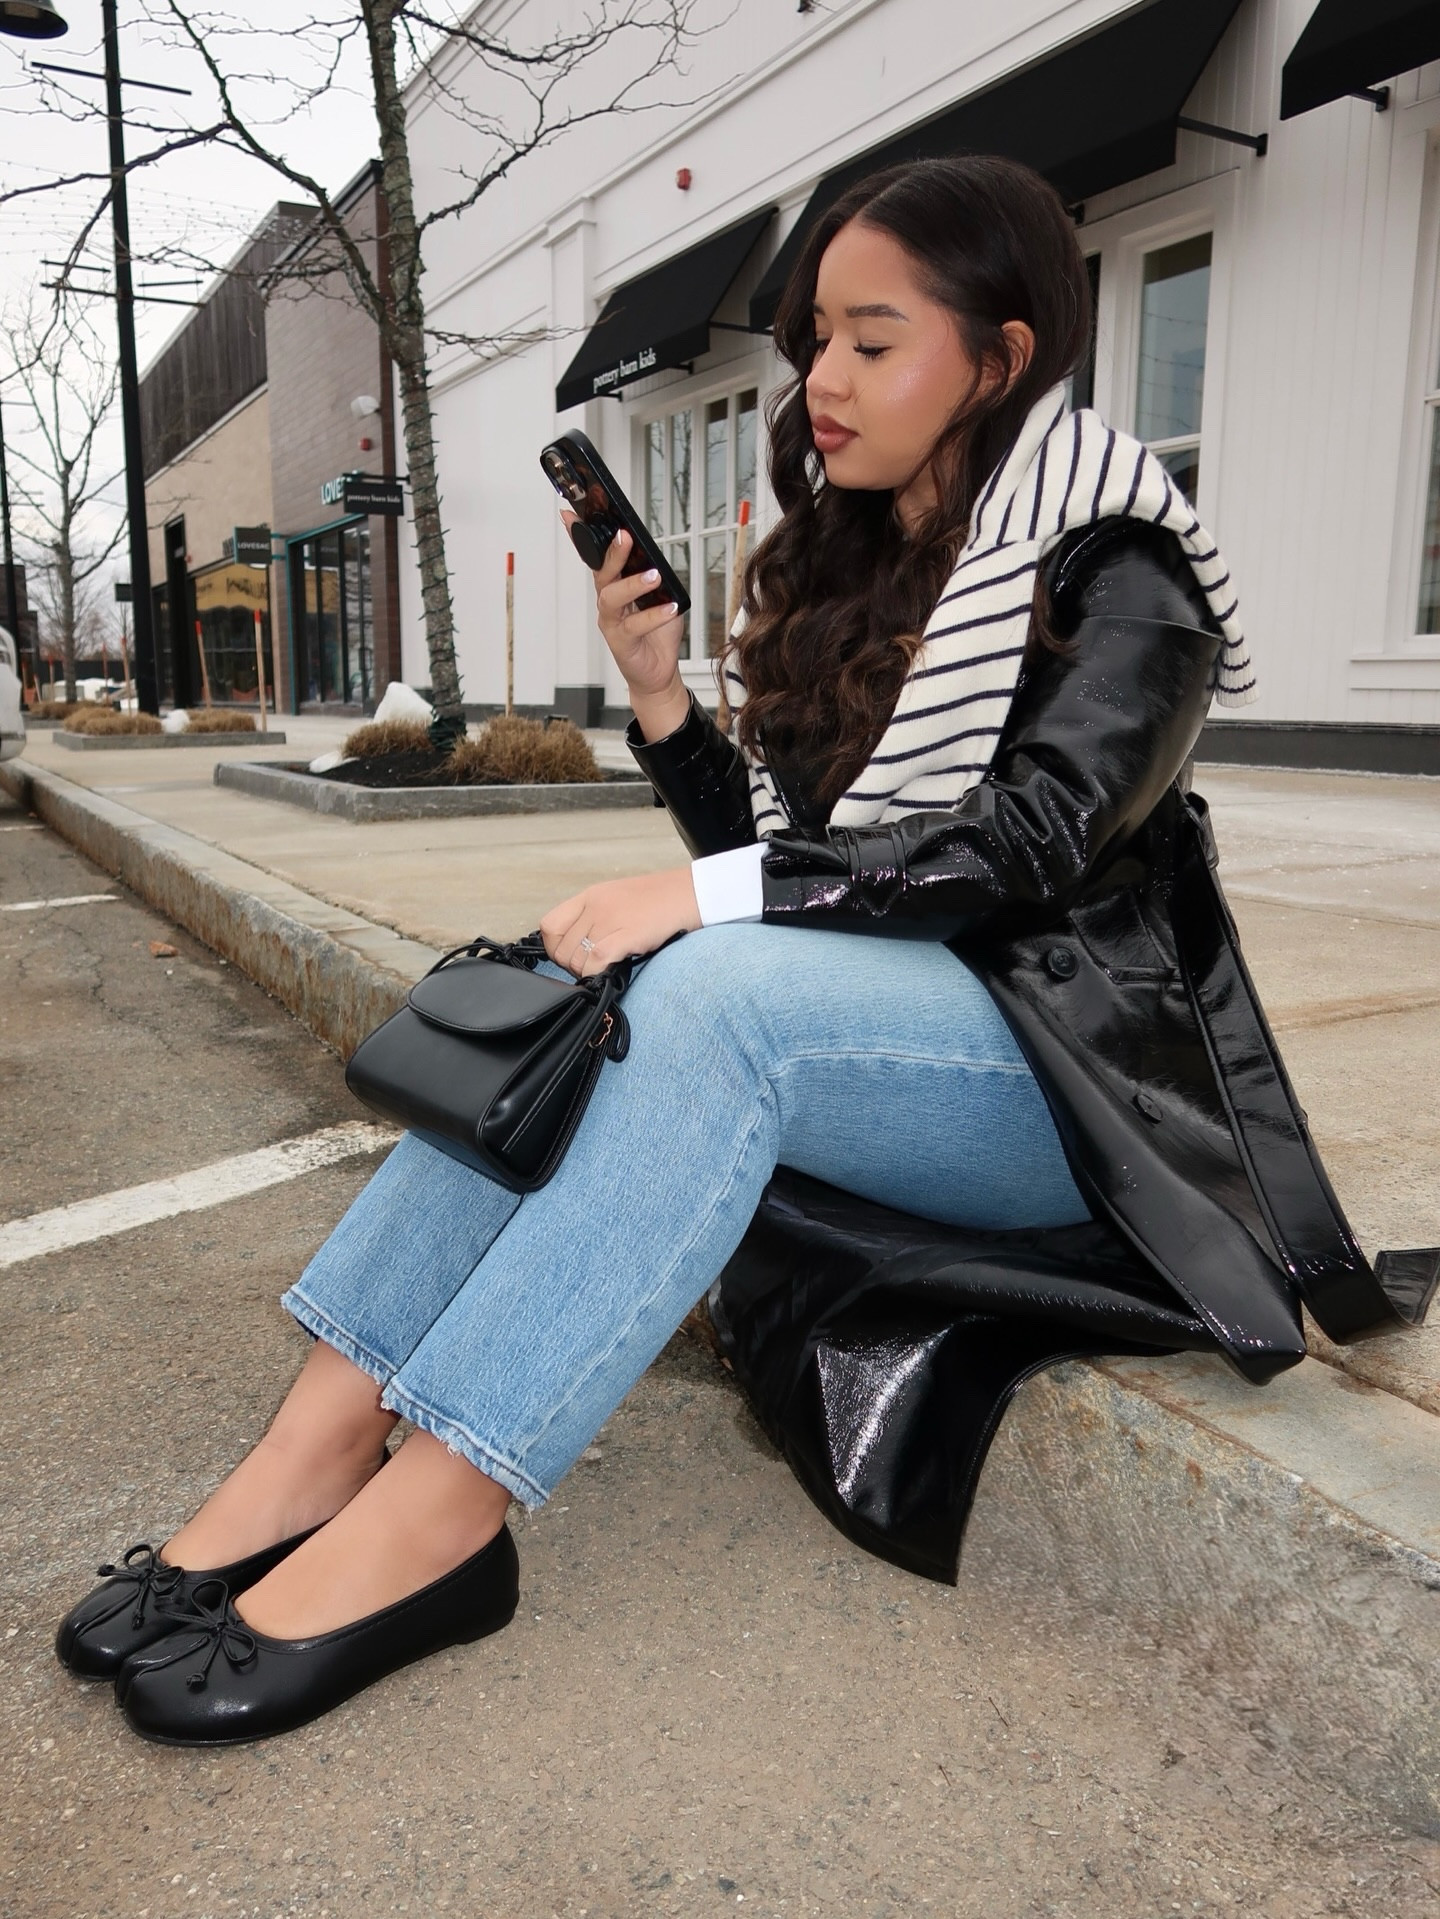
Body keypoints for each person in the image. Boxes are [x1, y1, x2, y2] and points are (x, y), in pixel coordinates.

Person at [54, 155, 1431, 1745]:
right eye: (815, 341)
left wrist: (698, 902)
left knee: (702, 982)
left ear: (999, 356)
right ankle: (314, 1447)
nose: (823, 381)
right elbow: (780, 861)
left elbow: (1023, 848)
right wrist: (659, 698)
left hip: (1068, 1098)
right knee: (595, 979)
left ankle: (441, 1514)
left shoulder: (1127, 571)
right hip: (889, 1044)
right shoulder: (875, 558)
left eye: (871, 341)